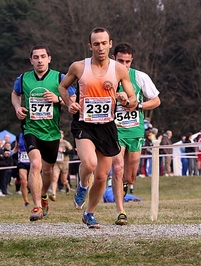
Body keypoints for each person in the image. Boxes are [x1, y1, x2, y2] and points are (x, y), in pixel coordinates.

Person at [58, 27, 137, 228]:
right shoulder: (78, 67)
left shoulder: (119, 69)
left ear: (110, 44)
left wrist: (125, 100)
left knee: (102, 177)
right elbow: (62, 87)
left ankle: (89, 213)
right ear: (90, 46)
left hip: (107, 126)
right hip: (84, 124)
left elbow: (133, 99)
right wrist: (69, 103)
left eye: (104, 43)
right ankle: (82, 186)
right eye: (96, 44)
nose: (100, 47)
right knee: (90, 163)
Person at [11, 45, 76, 221]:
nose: (39, 60)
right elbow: (15, 94)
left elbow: (73, 100)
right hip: (31, 128)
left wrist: (58, 99)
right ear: (31, 60)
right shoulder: (23, 78)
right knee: (35, 164)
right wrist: (18, 107)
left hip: (52, 131)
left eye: (43, 56)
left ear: (49, 58)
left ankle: (44, 195)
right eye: (36, 57)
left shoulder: (60, 78)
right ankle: (37, 206)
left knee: (48, 171)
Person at [110, 43, 160, 225]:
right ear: (113, 58)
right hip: (114, 130)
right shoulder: (105, 76)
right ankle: (121, 211)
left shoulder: (139, 77)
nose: (124, 65)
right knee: (117, 168)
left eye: (128, 62)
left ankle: (124, 186)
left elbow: (156, 100)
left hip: (135, 130)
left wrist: (137, 105)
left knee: (130, 176)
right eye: (120, 60)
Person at [49, 130, 73, 201]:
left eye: (60, 135)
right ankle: (53, 195)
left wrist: (63, 151)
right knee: (55, 178)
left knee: (63, 181)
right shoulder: (53, 143)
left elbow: (72, 151)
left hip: (64, 164)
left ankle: (67, 186)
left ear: (62, 136)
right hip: (56, 164)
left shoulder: (65, 143)